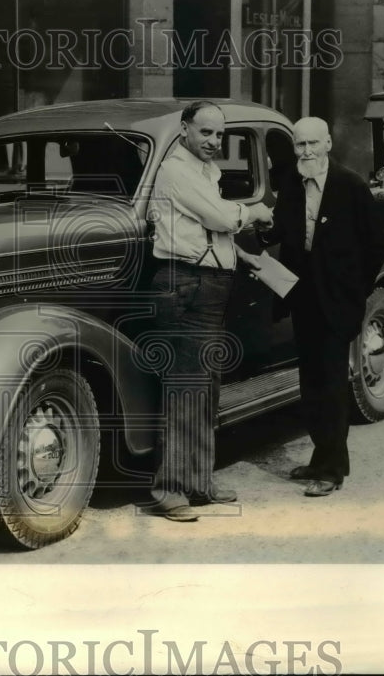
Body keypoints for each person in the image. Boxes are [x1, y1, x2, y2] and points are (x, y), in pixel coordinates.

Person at [146, 100, 273, 522]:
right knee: (185, 388)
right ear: (184, 130)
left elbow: (196, 225)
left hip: (207, 284)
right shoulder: (176, 170)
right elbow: (219, 216)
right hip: (185, 283)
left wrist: (241, 255)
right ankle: (169, 491)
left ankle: (199, 482)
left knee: (206, 388)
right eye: (205, 133)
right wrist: (253, 211)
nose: (214, 142)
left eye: (219, 135)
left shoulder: (201, 172)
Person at [252, 116, 384, 496]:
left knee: (330, 383)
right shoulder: (292, 183)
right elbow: (283, 228)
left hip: (337, 300)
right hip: (303, 296)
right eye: (299, 145)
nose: (306, 151)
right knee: (310, 382)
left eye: (313, 144)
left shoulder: (351, 185)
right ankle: (320, 458)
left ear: (328, 143)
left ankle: (332, 470)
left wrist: (354, 292)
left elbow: (377, 246)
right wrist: (258, 228)